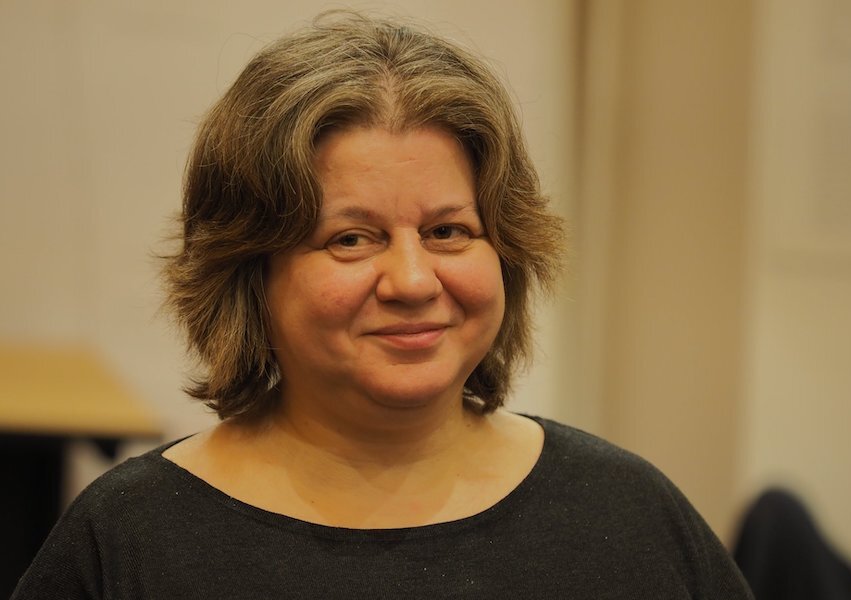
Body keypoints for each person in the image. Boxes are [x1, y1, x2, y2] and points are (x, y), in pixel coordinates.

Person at [13, 12, 752, 599]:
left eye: (448, 231)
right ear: (249, 271)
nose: (412, 281)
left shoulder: (628, 515)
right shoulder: (131, 542)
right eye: (351, 239)